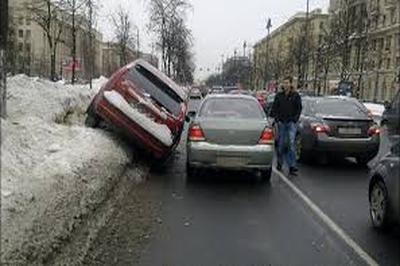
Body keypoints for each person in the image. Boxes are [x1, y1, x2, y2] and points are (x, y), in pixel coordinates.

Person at [270, 76, 302, 176]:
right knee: (281, 144)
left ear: (291, 84)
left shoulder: (295, 96)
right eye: (284, 83)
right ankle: (280, 163)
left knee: (291, 145)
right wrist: (277, 119)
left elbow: (299, 108)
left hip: (291, 123)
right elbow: (274, 108)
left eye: (287, 83)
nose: (286, 85)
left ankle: (292, 166)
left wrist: (295, 119)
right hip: (281, 123)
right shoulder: (279, 96)